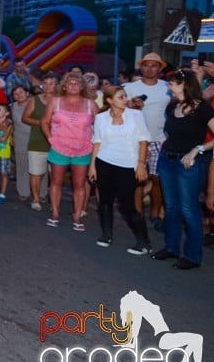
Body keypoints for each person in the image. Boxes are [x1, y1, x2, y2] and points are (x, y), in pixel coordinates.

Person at [151, 69, 214, 269]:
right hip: (167, 160)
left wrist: (198, 149)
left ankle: (193, 256)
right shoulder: (172, 108)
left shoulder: (202, 108)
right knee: (171, 208)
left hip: (188, 164)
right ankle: (171, 248)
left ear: (184, 84)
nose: (169, 87)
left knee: (188, 209)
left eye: (172, 83)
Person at [88, 86, 151, 253]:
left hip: (128, 165)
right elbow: (97, 142)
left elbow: (144, 141)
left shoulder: (136, 115)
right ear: (109, 101)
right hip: (104, 162)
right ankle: (106, 235)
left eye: (124, 96)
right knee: (105, 201)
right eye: (120, 97)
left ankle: (144, 242)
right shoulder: (100, 117)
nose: (125, 100)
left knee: (127, 204)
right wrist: (92, 166)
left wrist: (141, 164)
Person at [41, 71, 98, 231]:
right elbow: (44, 122)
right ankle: (55, 213)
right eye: (70, 83)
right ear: (64, 86)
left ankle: (77, 216)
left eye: (77, 83)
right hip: (59, 147)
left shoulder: (90, 104)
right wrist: (50, 139)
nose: (73, 85)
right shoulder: (55, 101)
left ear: (82, 87)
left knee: (79, 184)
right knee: (56, 182)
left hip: (83, 149)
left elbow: (101, 125)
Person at [124, 53, 170, 232]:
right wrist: (130, 105)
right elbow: (118, 107)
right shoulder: (130, 87)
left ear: (160, 69)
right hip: (136, 140)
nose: (149, 69)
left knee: (158, 179)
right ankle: (138, 215)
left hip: (159, 139)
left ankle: (156, 213)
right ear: (141, 67)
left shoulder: (167, 87)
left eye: (153, 66)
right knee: (138, 179)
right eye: (146, 65)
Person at [22, 71, 56, 210]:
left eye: (51, 84)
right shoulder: (34, 100)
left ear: (57, 85)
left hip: (56, 143)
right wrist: (42, 123)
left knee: (52, 174)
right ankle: (35, 198)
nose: (48, 87)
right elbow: (25, 118)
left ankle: (49, 197)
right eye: (46, 84)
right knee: (35, 172)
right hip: (37, 140)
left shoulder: (60, 101)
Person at [9, 84, 33, 201]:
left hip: (35, 138)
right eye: (15, 94)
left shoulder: (33, 104)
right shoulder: (13, 106)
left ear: (27, 93)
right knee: (22, 166)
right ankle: (23, 191)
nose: (18, 95)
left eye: (21, 92)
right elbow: (11, 123)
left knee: (37, 166)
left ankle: (40, 193)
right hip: (19, 138)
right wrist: (11, 136)